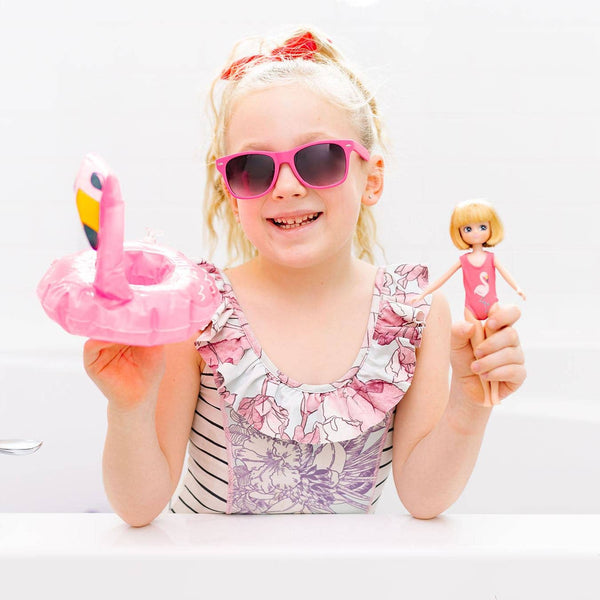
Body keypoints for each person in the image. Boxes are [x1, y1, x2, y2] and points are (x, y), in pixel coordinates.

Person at [83, 28, 526, 526]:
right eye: (253, 168)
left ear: (372, 178)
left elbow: (424, 497)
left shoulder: (414, 311)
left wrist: (469, 402)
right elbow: (139, 507)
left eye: (319, 160)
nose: (288, 187)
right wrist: (129, 409)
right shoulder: (200, 310)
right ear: (232, 191)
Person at [412, 199, 526, 406]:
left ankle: (494, 392)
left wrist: (518, 288)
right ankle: (487, 395)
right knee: (479, 357)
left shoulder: (491, 258)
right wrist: (423, 294)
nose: (475, 233)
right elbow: (442, 278)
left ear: (491, 229)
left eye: (482, 227)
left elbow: (506, 275)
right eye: (468, 228)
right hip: (471, 309)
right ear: (460, 232)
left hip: (491, 305)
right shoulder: (463, 261)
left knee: (490, 353)